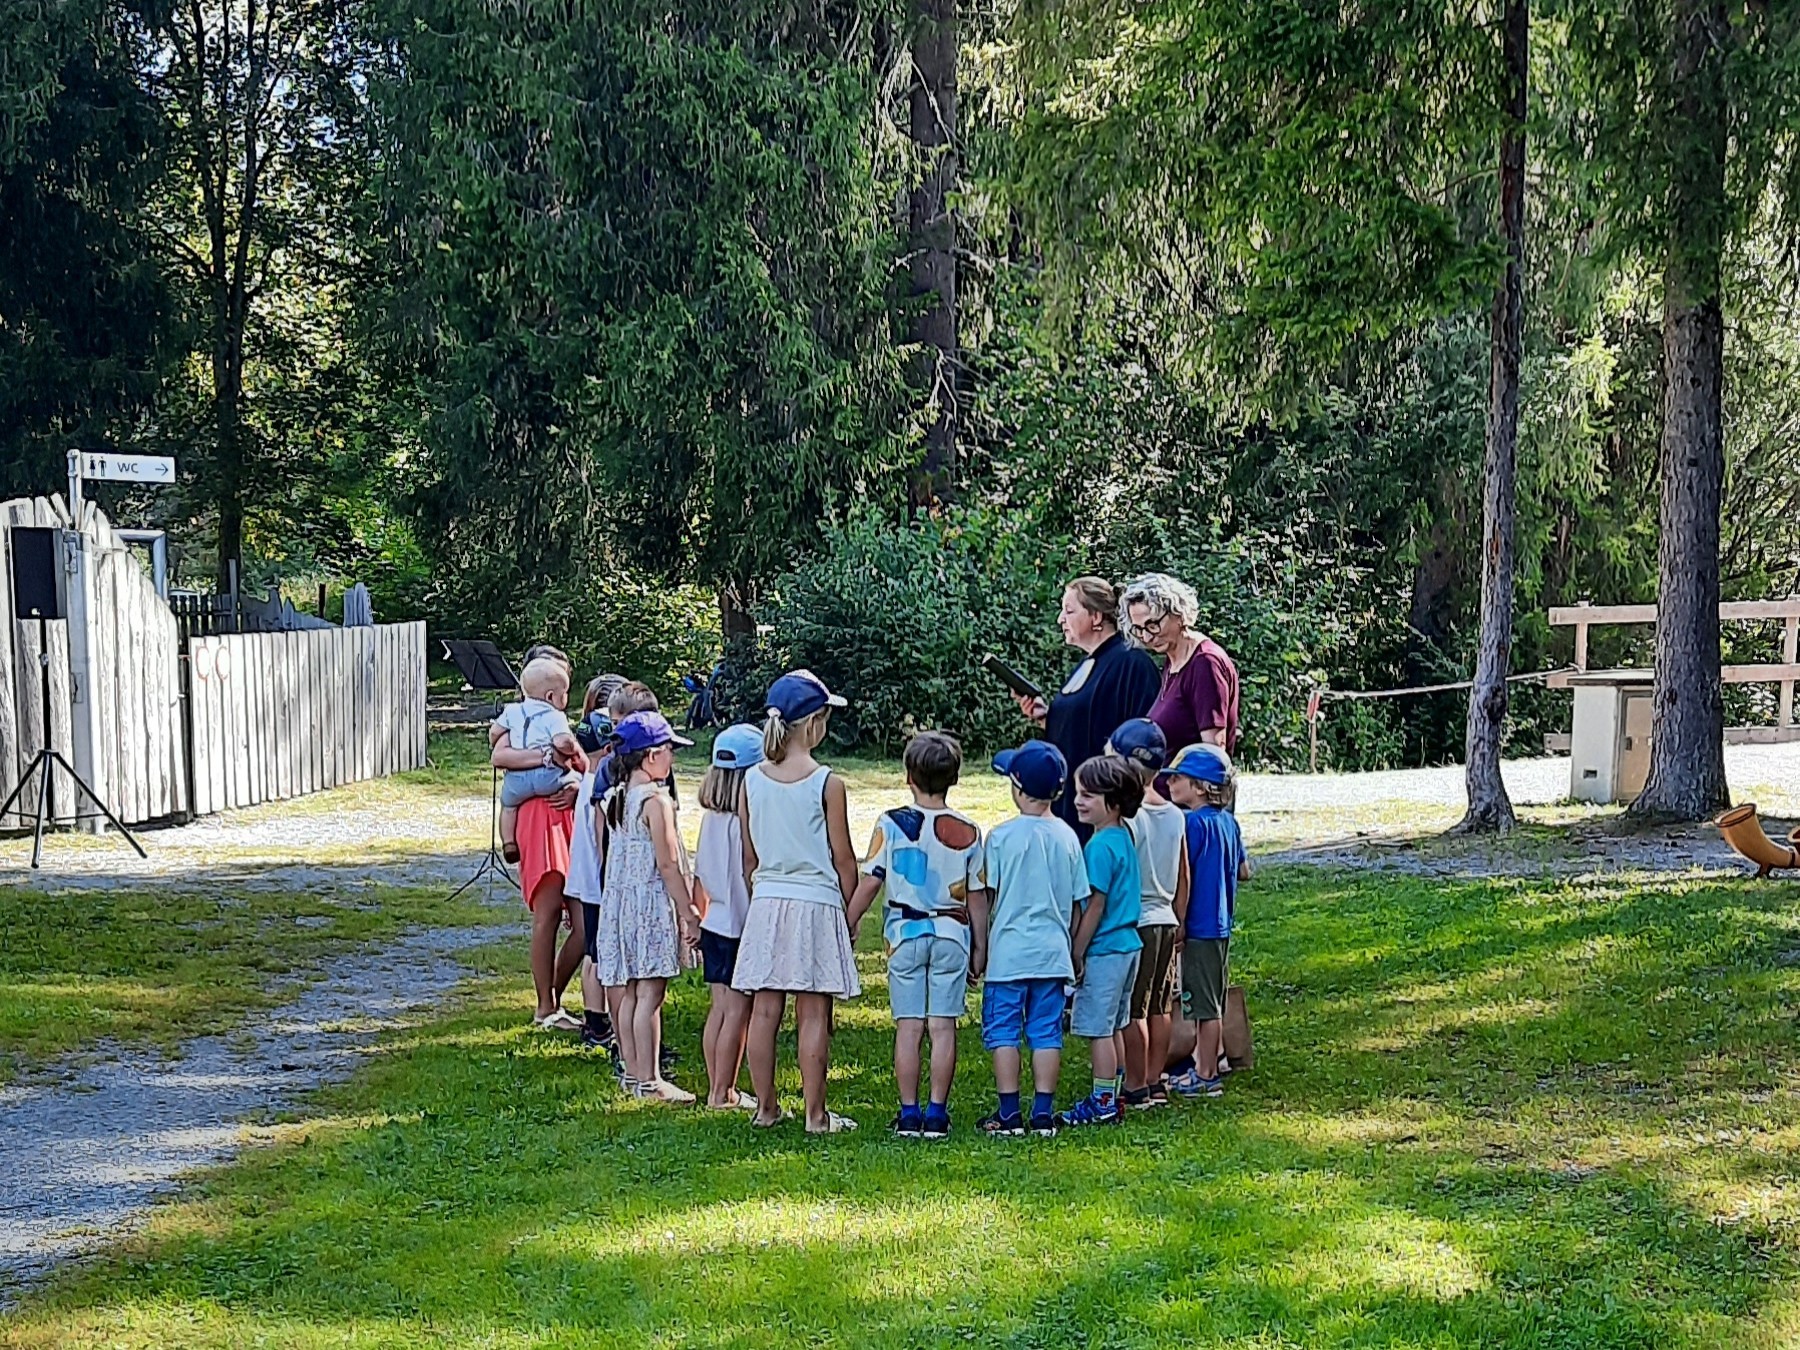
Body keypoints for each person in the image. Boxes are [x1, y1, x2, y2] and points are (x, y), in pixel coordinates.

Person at [734, 670, 862, 1134]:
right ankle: (815, 1115)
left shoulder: (750, 780)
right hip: (816, 902)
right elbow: (844, 858)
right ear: (814, 723)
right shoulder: (827, 783)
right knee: (813, 1012)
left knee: (764, 1010)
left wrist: (762, 896)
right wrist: (848, 911)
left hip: (768, 901)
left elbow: (749, 857)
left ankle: (765, 1108)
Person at [847, 731, 985, 1141]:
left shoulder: (890, 824)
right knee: (943, 1028)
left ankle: (909, 1113)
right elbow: (977, 896)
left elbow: (871, 881)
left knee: (908, 1028)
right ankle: (937, 1113)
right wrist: (981, 945)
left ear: (908, 776)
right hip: (952, 936)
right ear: (955, 778)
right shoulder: (969, 831)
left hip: (905, 935)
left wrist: (849, 920)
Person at [971, 739, 1088, 1138]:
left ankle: (1009, 1113)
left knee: (1003, 1031)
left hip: (1008, 955)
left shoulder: (1001, 837)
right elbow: (1078, 902)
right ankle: (1042, 1113)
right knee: (1046, 1031)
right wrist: (1072, 947)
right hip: (1052, 955)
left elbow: (988, 895)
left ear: (1018, 789)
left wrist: (980, 945)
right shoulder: (1068, 837)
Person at [594, 711, 701, 1102]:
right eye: (669, 750)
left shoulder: (617, 797)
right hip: (649, 906)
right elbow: (668, 863)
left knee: (630, 992)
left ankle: (632, 1072)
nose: (672, 757)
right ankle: (651, 1080)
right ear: (652, 755)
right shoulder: (657, 801)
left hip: (620, 904)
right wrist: (688, 912)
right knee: (651, 995)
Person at [1016, 577, 1160, 841]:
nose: (1061, 619)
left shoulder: (1132, 664)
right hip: (1072, 801)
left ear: (1096, 617)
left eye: (1069, 611)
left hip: (1103, 810)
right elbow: (1083, 725)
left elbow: (1142, 739)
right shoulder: (1087, 664)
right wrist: (1046, 718)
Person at [1059, 755, 1145, 1127]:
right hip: (1128, 945)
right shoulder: (1123, 835)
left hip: (1106, 949)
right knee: (1114, 1026)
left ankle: (1103, 1102)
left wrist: (1077, 951)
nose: (1078, 801)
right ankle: (1116, 1094)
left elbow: (1095, 904)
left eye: (1088, 795)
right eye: (1078, 792)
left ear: (1114, 801)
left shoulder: (1098, 848)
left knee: (1098, 1031)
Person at [1108, 718, 1189, 1109]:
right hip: (1166, 921)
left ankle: (1135, 1084)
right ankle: (1156, 1080)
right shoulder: (1174, 814)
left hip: (1135, 922)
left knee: (1132, 1009)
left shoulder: (1126, 817)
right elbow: (1184, 873)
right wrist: (1180, 918)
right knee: (1161, 1005)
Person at [1164, 743, 1250, 1100]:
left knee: (1204, 1005)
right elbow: (1244, 871)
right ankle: (1207, 1063)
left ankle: (1206, 1074)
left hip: (1198, 927)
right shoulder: (1229, 822)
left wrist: (1179, 921)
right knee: (1211, 997)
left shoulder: (1190, 824)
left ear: (1200, 786)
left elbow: (1181, 875)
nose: (1170, 784)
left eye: (1178, 778)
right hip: (1221, 924)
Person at [692, 723, 764, 1111]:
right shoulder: (747, 824)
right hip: (741, 925)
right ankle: (724, 1092)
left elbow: (699, 876)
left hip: (714, 922)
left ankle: (716, 1087)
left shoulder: (710, 820)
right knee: (738, 1011)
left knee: (719, 1009)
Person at [565, 672, 627, 1050]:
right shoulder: (601, 785)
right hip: (599, 880)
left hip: (588, 879)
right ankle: (599, 1022)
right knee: (599, 953)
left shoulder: (587, 779)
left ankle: (596, 1021)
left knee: (594, 950)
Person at [1120, 572, 1241, 758]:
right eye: (1138, 629)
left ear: (1178, 613)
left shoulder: (1205, 663)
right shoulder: (1173, 660)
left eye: (1153, 624)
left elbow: (1213, 755)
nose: (1147, 637)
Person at [489, 657, 588, 865]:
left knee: (508, 806)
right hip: (548, 776)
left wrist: (495, 738)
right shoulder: (555, 716)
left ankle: (508, 842)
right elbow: (562, 742)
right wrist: (569, 747)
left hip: (517, 781)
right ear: (551, 696)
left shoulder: (512, 711)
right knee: (574, 778)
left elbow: (495, 732)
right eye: (565, 694)